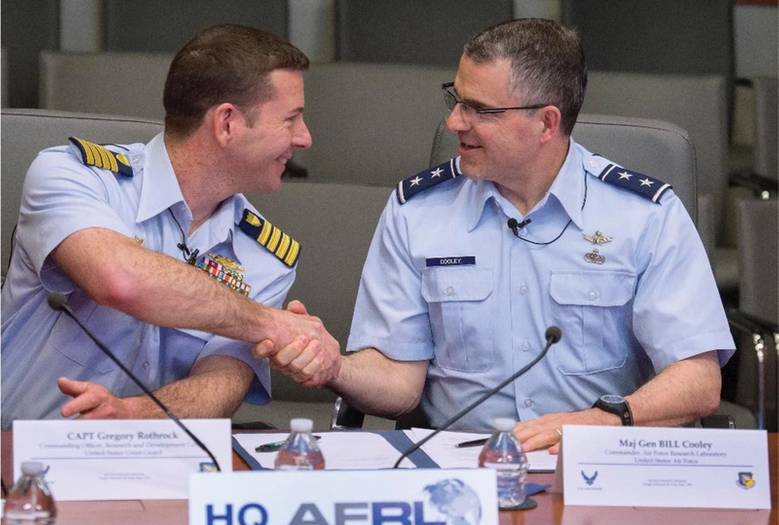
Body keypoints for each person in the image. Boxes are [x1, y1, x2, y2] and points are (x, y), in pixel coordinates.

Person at [263, 19, 735, 451]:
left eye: (479, 110)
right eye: (456, 99)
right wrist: (336, 367)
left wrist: (602, 422)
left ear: (546, 122)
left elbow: (697, 379)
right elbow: (400, 382)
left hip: (599, 462)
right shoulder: (419, 211)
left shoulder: (644, 216)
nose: (454, 123)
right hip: (458, 471)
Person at [1, 25, 339, 428]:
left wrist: (131, 416)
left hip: (157, 464)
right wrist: (272, 323)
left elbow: (224, 379)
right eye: (291, 119)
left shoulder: (265, 254)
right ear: (227, 122)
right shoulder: (72, 175)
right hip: (17, 462)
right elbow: (120, 280)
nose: (305, 139)